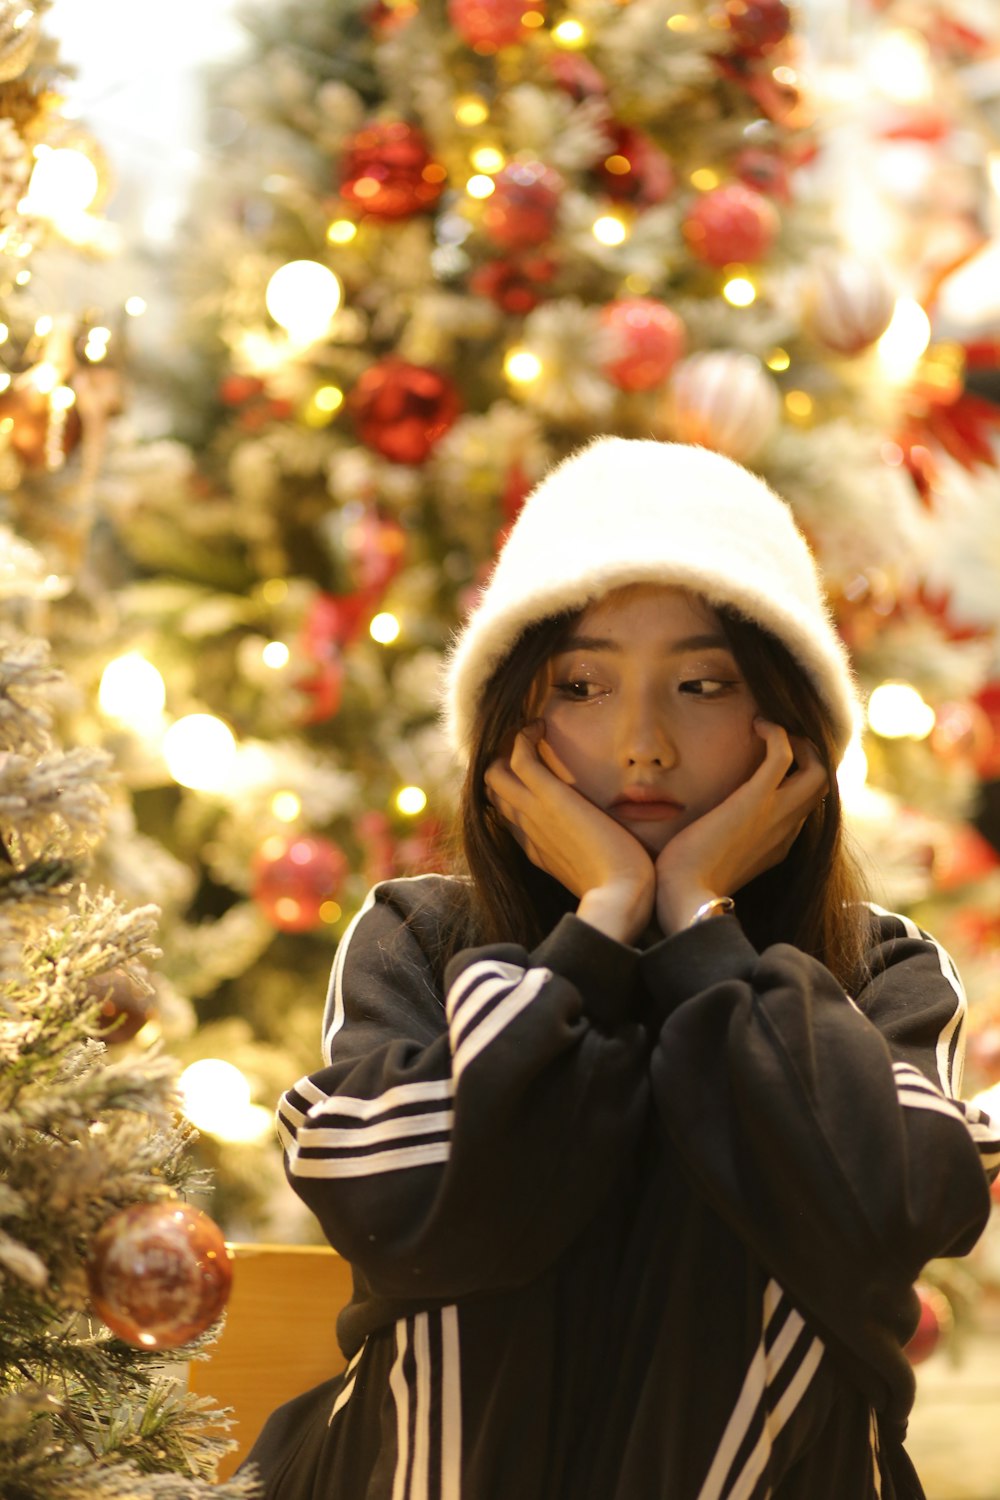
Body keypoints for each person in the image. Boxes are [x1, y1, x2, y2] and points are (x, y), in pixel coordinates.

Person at [244, 438, 999, 1500]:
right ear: (514, 726)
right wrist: (595, 933)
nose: (642, 743)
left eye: (700, 684)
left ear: (786, 727)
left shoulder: (880, 969)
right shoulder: (415, 938)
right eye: (583, 686)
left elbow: (887, 1208)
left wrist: (700, 929)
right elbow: (413, 1216)